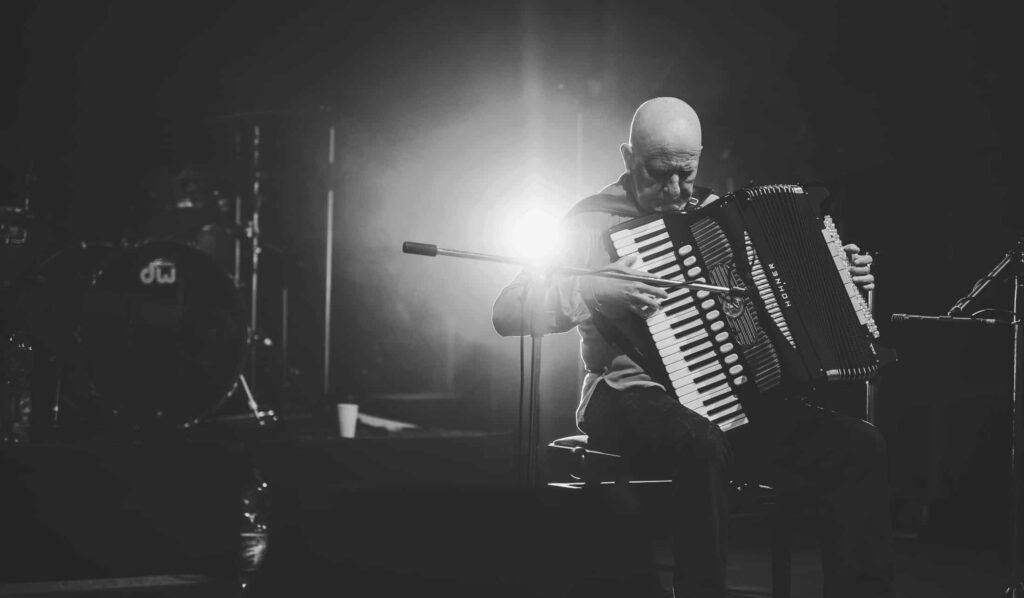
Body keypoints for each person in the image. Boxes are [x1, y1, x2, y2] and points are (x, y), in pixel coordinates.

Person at [492, 97, 893, 598]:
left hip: (732, 397)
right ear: (627, 157)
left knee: (860, 444)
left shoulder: (717, 217)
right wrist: (592, 290)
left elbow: (783, 299)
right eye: (658, 173)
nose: (675, 190)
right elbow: (507, 312)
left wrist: (842, 280)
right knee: (701, 442)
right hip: (626, 393)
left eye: (687, 172)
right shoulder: (587, 223)